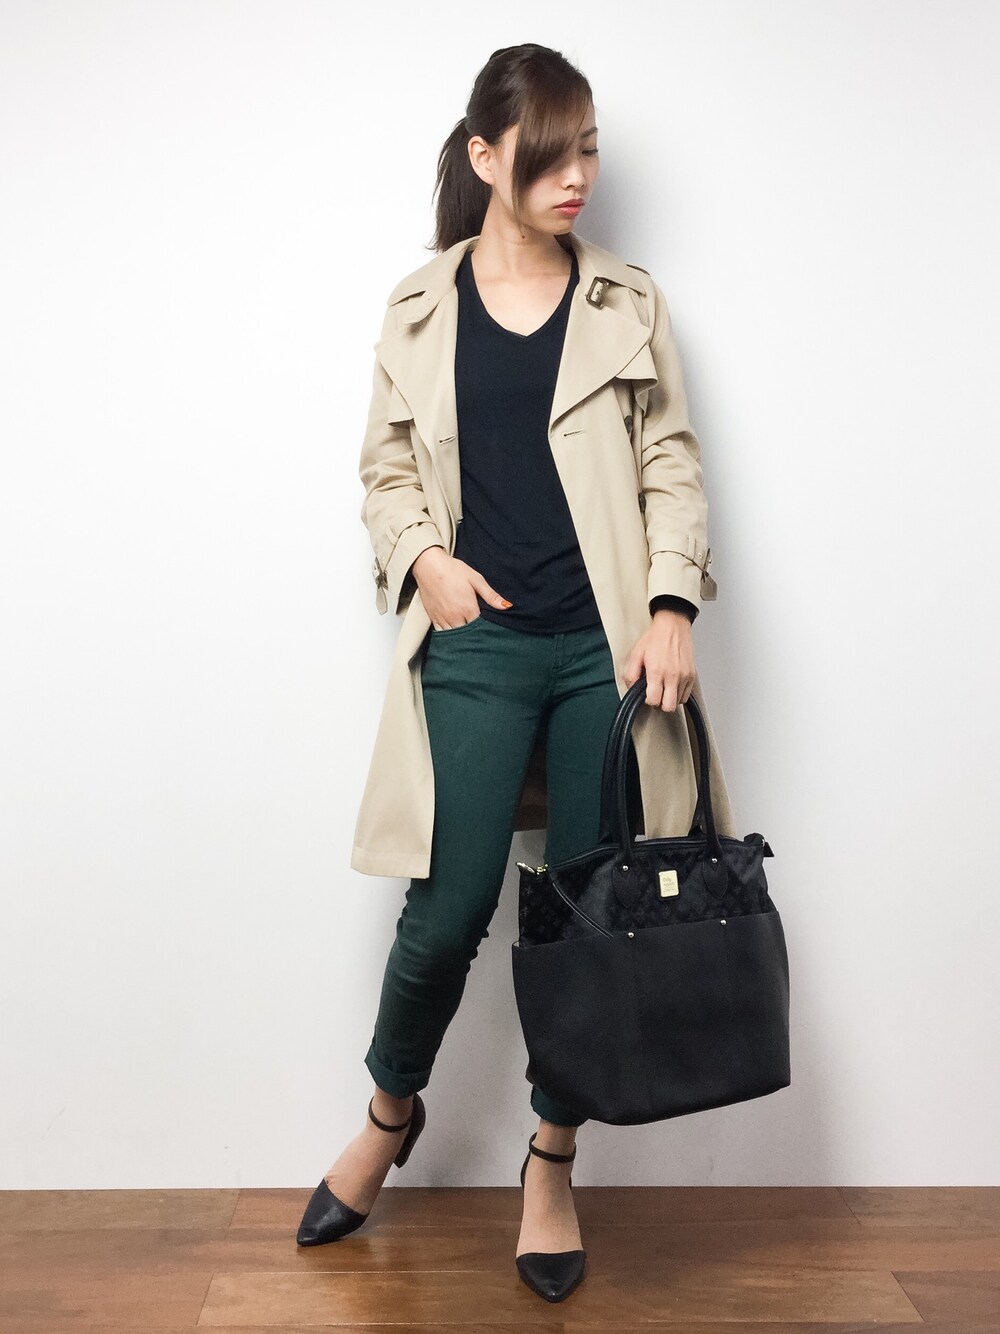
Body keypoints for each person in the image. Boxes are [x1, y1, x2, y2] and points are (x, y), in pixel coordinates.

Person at [297, 43, 721, 1304]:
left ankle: (550, 1154)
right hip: (476, 643)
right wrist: (422, 558)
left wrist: (670, 602)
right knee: (447, 907)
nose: (576, 174)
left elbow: (671, 462)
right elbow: (383, 469)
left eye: (586, 149)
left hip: (606, 646)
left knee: (583, 915)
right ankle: (389, 1113)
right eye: (549, 152)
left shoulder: (627, 304)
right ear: (485, 157)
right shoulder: (418, 305)